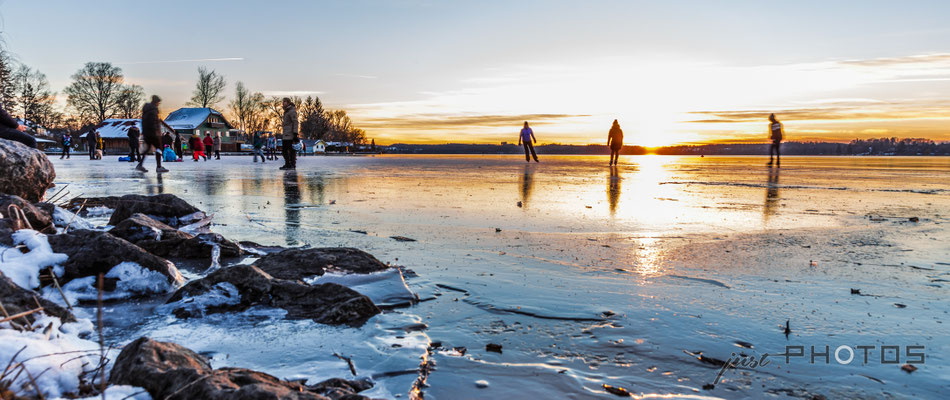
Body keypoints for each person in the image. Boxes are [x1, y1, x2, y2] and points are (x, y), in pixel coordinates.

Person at [137, 95, 169, 173]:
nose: (158, 104)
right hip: (153, 133)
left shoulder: (146, 110)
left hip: (146, 133)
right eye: (158, 102)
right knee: (159, 148)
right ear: (156, 102)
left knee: (147, 149)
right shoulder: (153, 110)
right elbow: (153, 122)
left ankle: (140, 165)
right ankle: (158, 167)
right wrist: (157, 133)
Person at [280, 98, 299, 170]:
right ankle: (287, 164)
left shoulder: (292, 111)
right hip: (285, 134)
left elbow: (295, 122)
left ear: (288, 103)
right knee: (284, 150)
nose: (283, 103)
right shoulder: (286, 112)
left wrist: (295, 133)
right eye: (283, 101)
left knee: (291, 151)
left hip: (290, 135)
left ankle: (292, 165)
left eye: (284, 101)